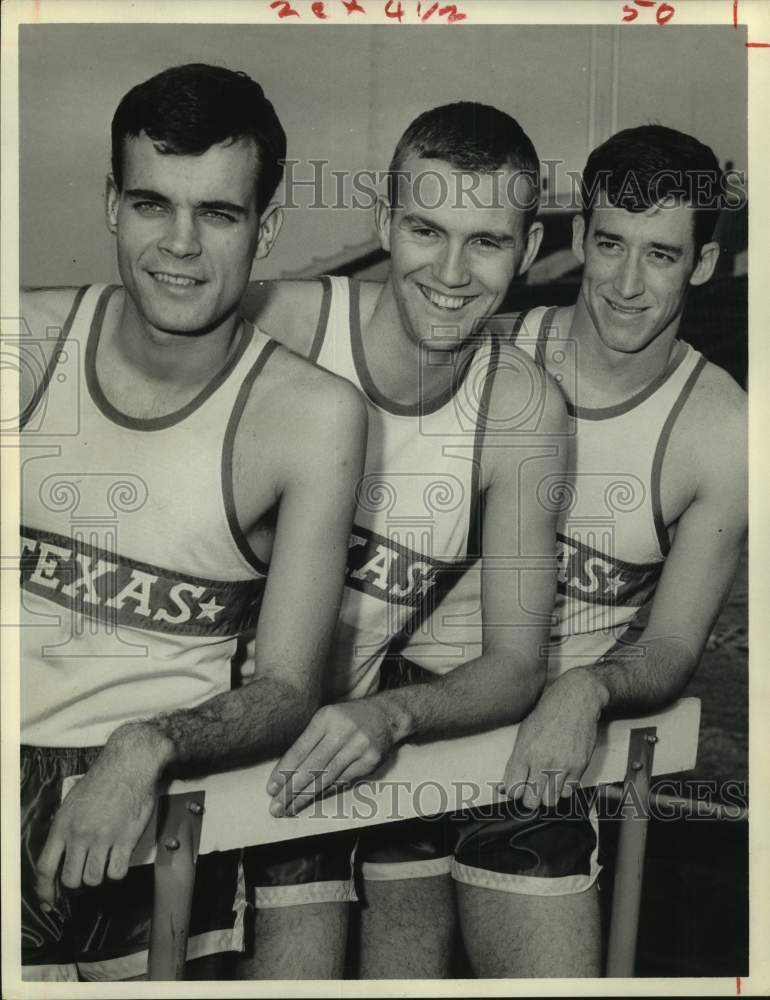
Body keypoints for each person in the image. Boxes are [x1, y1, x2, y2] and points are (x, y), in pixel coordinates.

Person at [19, 63, 366, 982]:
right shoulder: (21, 344)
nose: (178, 246)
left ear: (267, 227)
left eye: (217, 212)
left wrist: (149, 745)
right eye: (150, 205)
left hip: (146, 805)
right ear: (109, 203)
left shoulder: (311, 415)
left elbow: (291, 686)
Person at [383, 124, 748, 977]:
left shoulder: (723, 433)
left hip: (536, 747)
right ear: (578, 239)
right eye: (611, 245)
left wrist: (587, 689)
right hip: (402, 710)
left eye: (660, 256)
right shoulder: (490, 350)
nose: (625, 284)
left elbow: (671, 647)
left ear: (701, 265)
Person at [234, 102, 569, 979]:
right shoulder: (282, 324)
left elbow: (517, 662)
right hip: (177, 732)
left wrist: (392, 713)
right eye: (425, 229)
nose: (451, 272)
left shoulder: (522, 409)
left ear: (529, 251)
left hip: (308, 761)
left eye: (487, 241)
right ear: (383, 223)